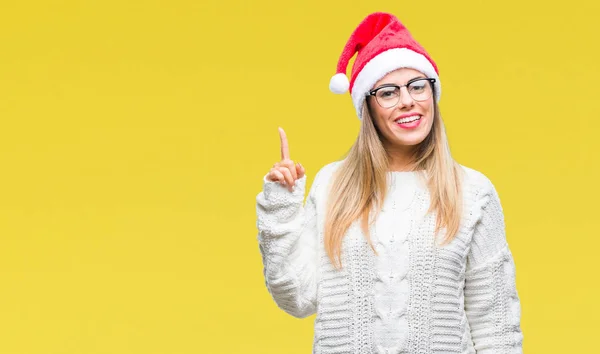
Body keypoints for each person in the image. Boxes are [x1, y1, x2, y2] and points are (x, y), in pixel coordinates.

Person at [255, 11, 523, 354]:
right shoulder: (331, 186)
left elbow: (497, 327)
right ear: (367, 105)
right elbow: (297, 298)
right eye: (388, 92)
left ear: (432, 94)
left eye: (417, 86)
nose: (407, 100)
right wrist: (280, 207)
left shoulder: (473, 191)